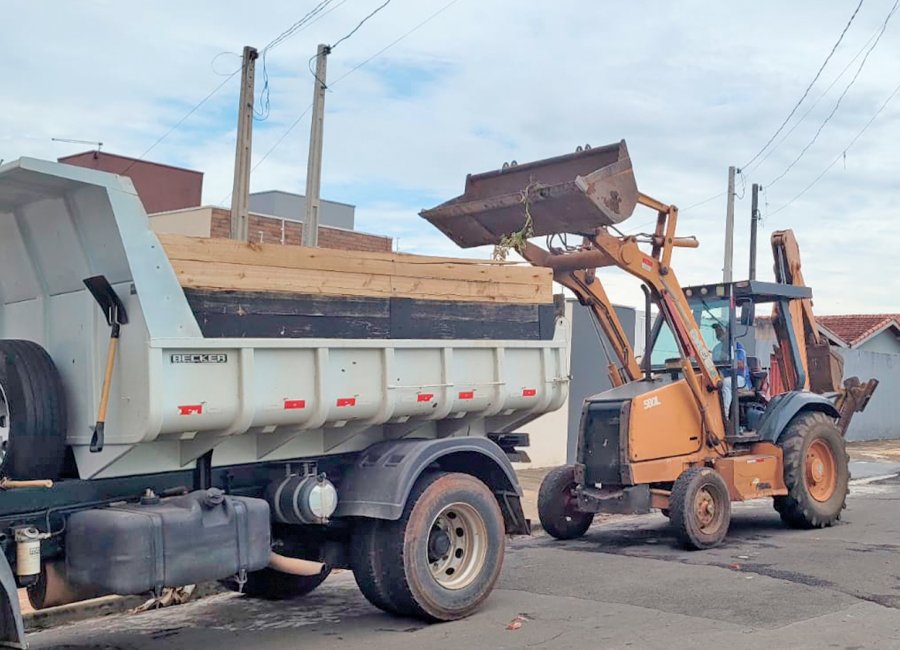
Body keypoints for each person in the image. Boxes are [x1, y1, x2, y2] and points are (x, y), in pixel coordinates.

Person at [712, 322, 750, 416]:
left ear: (728, 331)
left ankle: (726, 416)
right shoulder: (716, 349)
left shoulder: (737, 346)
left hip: (740, 379)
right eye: (716, 331)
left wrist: (728, 359)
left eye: (720, 330)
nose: (718, 333)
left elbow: (741, 364)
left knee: (726, 383)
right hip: (723, 377)